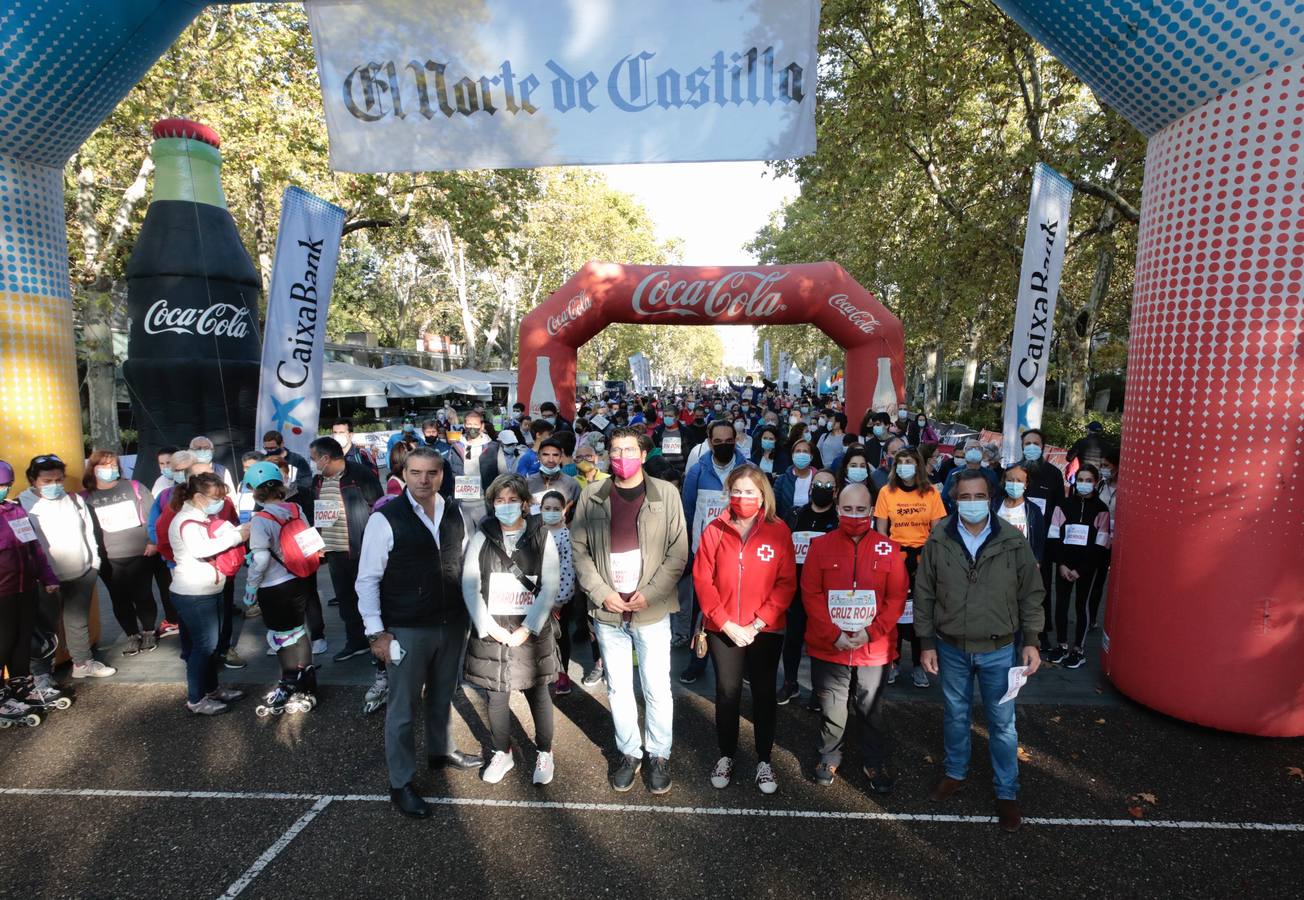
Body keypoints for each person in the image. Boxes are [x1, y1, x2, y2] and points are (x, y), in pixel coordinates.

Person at [914, 468, 1045, 833]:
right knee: (955, 715)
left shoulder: (1012, 541)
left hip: (999, 650)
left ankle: (1007, 792)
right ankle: (955, 772)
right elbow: (924, 593)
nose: (972, 503)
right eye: (965, 497)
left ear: (992, 497)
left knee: (1002, 724)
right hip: (951, 647)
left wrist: (1031, 639)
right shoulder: (939, 537)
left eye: (979, 496)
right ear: (954, 499)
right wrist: (926, 642)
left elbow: (1031, 593)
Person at [357, 447, 482, 819]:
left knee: (443, 695)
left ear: (443, 475)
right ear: (404, 474)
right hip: (407, 628)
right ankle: (401, 783)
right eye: (415, 473)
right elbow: (367, 580)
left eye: (431, 473)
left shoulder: (457, 512)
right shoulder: (385, 519)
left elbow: (466, 568)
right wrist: (376, 633)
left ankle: (441, 750)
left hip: (451, 623)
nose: (423, 480)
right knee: (403, 709)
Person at [570, 427, 688, 794]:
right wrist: (602, 592)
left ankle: (658, 754)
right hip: (608, 612)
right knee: (619, 688)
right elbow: (579, 550)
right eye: (615, 450)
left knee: (656, 687)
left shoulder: (666, 493)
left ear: (643, 453)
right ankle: (629, 752)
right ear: (607, 455)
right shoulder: (591, 495)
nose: (622, 456)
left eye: (629, 449)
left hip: (650, 611)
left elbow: (678, 552)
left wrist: (650, 594)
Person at [693, 465, 796, 794]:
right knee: (727, 693)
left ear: (763, 493)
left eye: (750, 491)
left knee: (764, 693)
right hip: (723, 629)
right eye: (736, 491)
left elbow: (786, 583)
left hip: (764, 629)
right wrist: (724, 623)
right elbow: (702, 580)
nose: (742, 497)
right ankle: (726, 754)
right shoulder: (715, 530)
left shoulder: (778, 531)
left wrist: (757, 622)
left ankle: (764, 760)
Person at [800, 482, 908, 790]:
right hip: (830, 646)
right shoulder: (820, 547)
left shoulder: (890, 549)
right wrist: (833, 634)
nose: (854, 515)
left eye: (861, 510)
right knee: (832, 707)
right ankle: (828, 755)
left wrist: (871, 632)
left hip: (874, 647)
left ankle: (873, 760)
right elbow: (811, 592)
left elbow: (897, 598)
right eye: (847, 509)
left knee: (870, 708)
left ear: (872, 512)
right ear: (837, 509)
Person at [461, 474, 562, 785]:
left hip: (530, 630)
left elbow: (550, 585)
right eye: (499, 501)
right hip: (494, 630)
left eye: (512, 500)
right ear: (492, 504)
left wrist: (528, 628)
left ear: (525, 503)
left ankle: (544, 752)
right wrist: (489, 627)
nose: (506, 506)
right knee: (496, 695)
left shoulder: (542, 534)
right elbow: (470, 583)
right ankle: (501, 752)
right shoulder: (483, 534)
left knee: (539, 692)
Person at [20, 455, 115, 680]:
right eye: (47, 481)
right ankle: (42, 676)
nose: (54, 485)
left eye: (58, 480)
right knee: (44, 628)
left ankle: (82, 663)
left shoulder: (74, 499)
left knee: (77, 622)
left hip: (82, 572)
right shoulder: (22, 505)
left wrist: (94, 565)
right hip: (45, 580)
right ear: (33, 480)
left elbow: (88, 532)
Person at [167, 472, 251, 715]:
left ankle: (211, 689)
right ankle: (196, 699)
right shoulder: (187, 522)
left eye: (223, 496)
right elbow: (201, 548)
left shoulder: (201, 518)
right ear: (197, 497)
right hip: (194, 593)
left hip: (204, 590)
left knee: (204, 646)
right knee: (203, 647)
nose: (221, 501)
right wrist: (237, 536)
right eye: (216, 497)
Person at [242, 462, 318, 715]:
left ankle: (288, 683)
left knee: (281, 637)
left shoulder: (261, 520)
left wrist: (251, 588)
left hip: (273, 587)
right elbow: (308, 540)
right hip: (299, 579)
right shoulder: (295, 508)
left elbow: (261, 560)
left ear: (255, 491)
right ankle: (308, 682)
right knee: (298, 631)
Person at [874, 447, 948, 688]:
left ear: (918, 465)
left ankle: (919, 664)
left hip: (922, 559)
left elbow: (937, 532)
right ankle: (893, 662)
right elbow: (882, 531)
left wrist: (930, 560)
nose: (905, 465)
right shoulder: (887, 492)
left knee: (921, 612)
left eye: (909, 461)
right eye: (901, 461)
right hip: (895, 557)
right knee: (893, 612)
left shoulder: (931, 493)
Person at [308, 436, 383, 662]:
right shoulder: (318, 481)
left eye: (314, 459)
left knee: (371, 598)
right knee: (346, 600)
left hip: (361, 550)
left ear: (325, 458)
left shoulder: (360, 474)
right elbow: (318, 513)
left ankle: (379, 644)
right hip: (333, 552)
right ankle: (356, 642)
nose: (313, 464)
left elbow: (379, 507)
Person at [0, 459, 61, 720]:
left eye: (7, 485)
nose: (4, 489)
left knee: (22, 639)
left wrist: (47, 577)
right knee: (3, 641)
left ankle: (21, 684)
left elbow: (33, 549)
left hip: (24, 588)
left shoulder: (15, 511)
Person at [81, 450, 158, 656]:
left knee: (143, 594)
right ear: (93, 469)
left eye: (113, 465)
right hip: (108, 558)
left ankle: (149, 631)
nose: (110, 469)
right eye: (104, 466)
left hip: (140, 553)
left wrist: (153, 542)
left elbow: (152, 516)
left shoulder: (134, 487)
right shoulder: (85, 497)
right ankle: (132, 635)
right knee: (119, 599)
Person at [778, 469, 839, 706]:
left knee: (820, 642)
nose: (822, 489)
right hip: (795, 590)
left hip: (824, 593)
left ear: (835, 492)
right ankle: (790, 683)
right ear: (810, 487)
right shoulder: (795, 515)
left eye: (828, 486)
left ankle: (819, 690)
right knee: (792, 639)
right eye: (818, 484)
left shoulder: (837, 521)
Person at [1045, 464, 1112, 669]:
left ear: (1096, 482)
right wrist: (1062, 564)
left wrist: (1081, 569)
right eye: (1080, 480)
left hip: (1086, 568)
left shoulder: (1101, 509)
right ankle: (1062, 645)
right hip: (1064, 566)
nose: (1084, 484)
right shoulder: (1063, 505)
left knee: (1081, 606)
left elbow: (1101, 544)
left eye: (1088, 480)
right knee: (1061, 605)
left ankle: (1078, 650)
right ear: (1074, 481)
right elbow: (1053, 536)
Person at [540, 490, 581, 697]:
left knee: (560, 636)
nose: (551, 512)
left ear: (564, 510)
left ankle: (562, 673)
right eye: (547, 508)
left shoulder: (566, 536)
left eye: (556, 509)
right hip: (536, 596)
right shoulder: (536, 533)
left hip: (558, 599)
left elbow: (568, 569)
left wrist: (560, 600)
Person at [1085, 448, 1119, 630]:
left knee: (1107, 582)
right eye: (1101, 466)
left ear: (1117, 466)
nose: (1103, 469)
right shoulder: (1101, 485)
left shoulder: (1127, 487)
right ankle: (1090, 617)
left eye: (1106, 466)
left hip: (1117, 541)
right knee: (1094, 579)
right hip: (1097, 537)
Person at [447, 409, 510, 499]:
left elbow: (504, 476)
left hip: (485, 501)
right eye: (469, 424)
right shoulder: (455, 447)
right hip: (461, 501)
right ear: (464, 425)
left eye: (476, 424)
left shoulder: (494, 448)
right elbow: (449, 474)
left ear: (482, 426)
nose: (472, 428)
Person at [992, 463, 1046, 564]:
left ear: (1026, 484)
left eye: (1019, 481)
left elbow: (1039, 540)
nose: (1014, 484)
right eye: (1010, 480)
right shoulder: (993, 506)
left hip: (1022, 564)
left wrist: (1037, 561)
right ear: (1004, 482)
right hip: (995, 563)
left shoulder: (1034, 511)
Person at [260, 430, 314, 514]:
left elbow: (306, 481)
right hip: (273, 508)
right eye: (267, 448)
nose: (270, 451)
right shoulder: (264, 461)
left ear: (282, 444)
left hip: (297, 505)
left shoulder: (296, 459)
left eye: (273, 448)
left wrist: (289, 491)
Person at [940, 439, 999, 516]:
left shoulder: (991, 475)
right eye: (970, 448)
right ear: (964, 452)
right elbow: (944, 498)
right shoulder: (954, 473)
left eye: (978, 448)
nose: (974, 450)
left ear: (983, 453)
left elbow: (996, 498)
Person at [526, 438, 581, 507]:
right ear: (538, 456)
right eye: (546, 455)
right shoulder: (528, 483)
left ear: (561, 458)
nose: (551, 460)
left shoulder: (572, 485)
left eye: (555, 455)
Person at [773, 438, 816, 521]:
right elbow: (775, 508)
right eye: (798, 451)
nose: (801, 454)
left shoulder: (817, 480)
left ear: (811, 457)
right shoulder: (781, 480)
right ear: (793, 456)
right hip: (787, 525)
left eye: (805, 451)